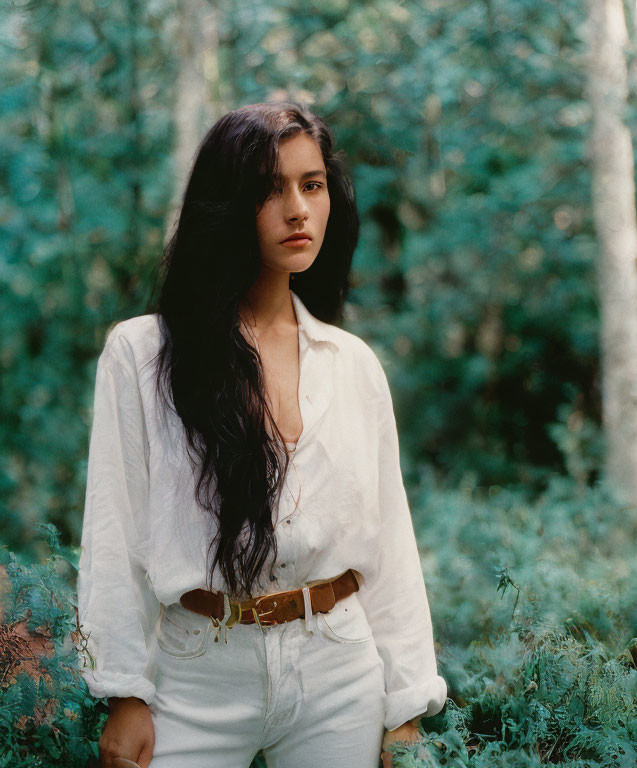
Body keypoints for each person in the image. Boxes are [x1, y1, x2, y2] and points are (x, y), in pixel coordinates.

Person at [74, 102, 447, 768]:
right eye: (269, 189)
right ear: (226, 205)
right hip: (195, 672)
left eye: (312, 184)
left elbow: (390, 545)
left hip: (338, 669)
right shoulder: (141, 355)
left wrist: (406, 706)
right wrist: (124, 692)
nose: (298, 209)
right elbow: (114, 533)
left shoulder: (351, 363)